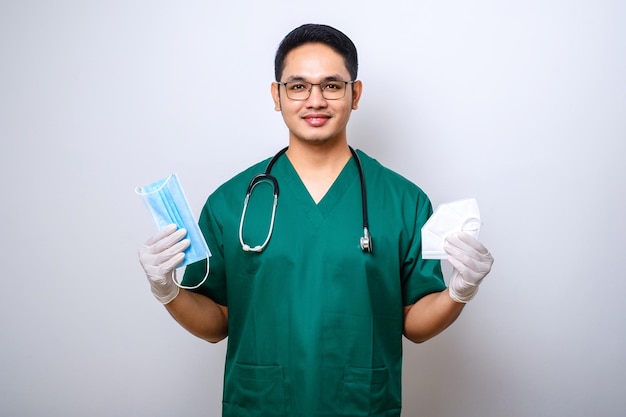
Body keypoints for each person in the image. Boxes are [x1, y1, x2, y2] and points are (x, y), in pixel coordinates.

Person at [138, 23, 494, 417]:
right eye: (297, 86)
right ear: (277, 95)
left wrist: (458, 292)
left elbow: (415, 323)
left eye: (332, 85)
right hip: (263, 405)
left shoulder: (404, 201)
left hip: (359, 406)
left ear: (354, 94)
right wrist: (167, 291)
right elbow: (215, 321)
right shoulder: (230, 202)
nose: (315, 100)